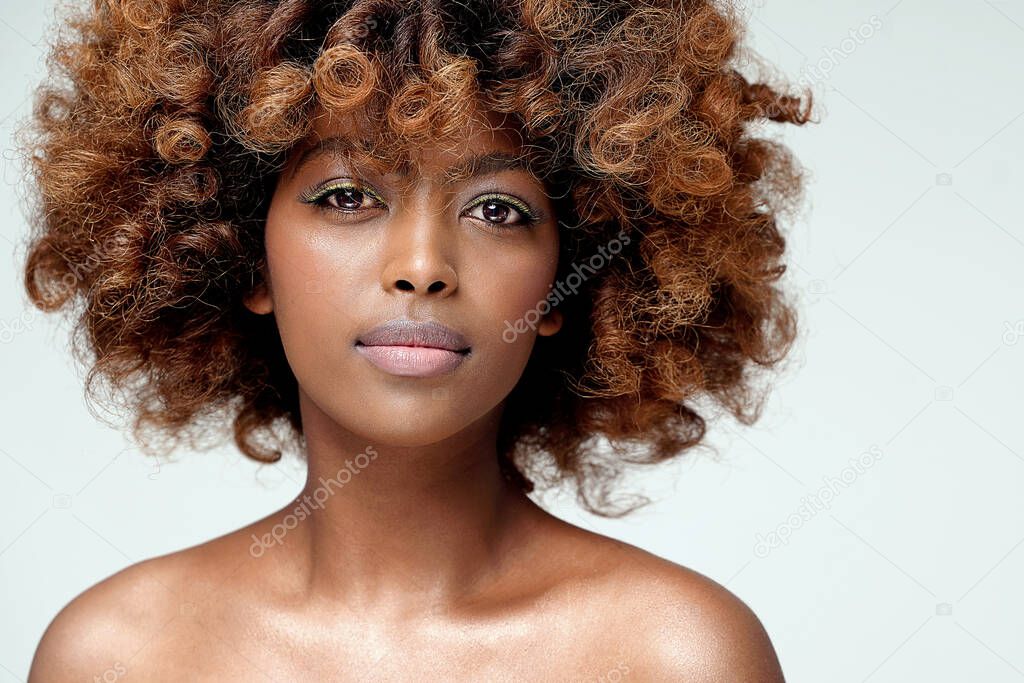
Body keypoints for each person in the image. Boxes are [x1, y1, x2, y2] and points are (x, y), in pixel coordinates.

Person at [20, 0, 813, 679]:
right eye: (345, 195)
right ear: (243, 253)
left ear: (564, 282)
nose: (423, 268)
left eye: (497, 209)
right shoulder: (118, 655)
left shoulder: (673, 655)